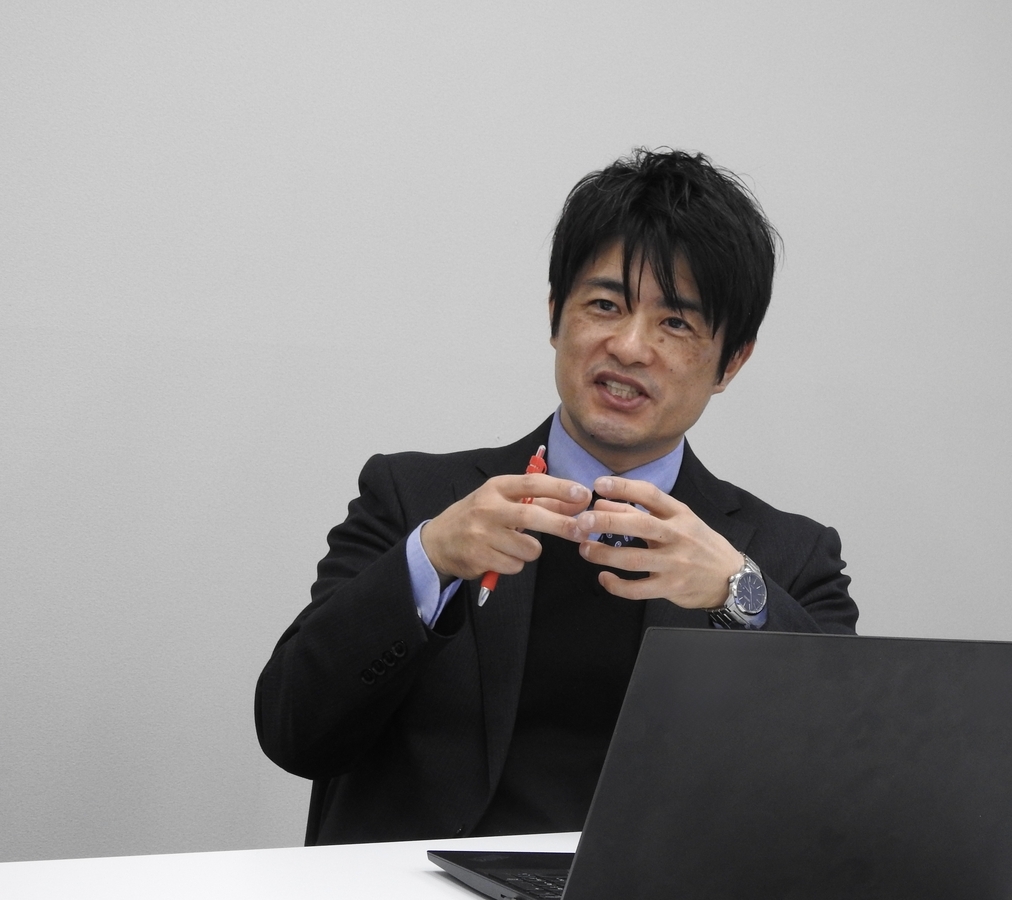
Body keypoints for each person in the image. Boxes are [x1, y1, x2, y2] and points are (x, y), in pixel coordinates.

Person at [255, 148, 858, 846]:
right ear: (555, 316)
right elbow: (292, 731)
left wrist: (736, 590)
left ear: (732, 361)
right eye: (605, 305)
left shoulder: (786, 556)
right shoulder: (413, 498)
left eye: (676, 323)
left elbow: (844, 779)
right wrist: (431, 559)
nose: (629, 347)